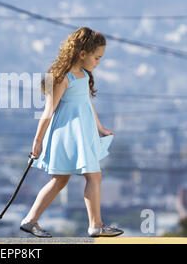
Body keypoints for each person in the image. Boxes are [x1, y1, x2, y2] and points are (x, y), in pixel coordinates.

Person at [20, 27, 124, 238]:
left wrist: (100, 127)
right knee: (93, 176)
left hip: (82, 134)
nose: (99, 62)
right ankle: (96, 225)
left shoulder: (84, 75)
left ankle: (30, 220)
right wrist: (37, 141)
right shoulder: (61, 77)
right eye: (97, 57)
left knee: (61, 180)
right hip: (67, 134)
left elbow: (87, 104)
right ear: (82, 53)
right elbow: (48, 111)